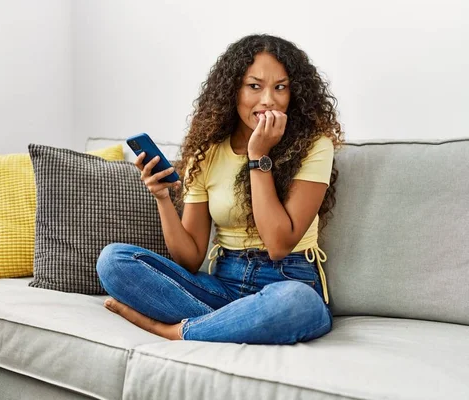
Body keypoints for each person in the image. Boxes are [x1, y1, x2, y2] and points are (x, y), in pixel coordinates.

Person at [96, 34, 344, 344]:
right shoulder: (208, 152)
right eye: (255, 86)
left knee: (298, 303)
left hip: (288, 280)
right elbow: (188, 259)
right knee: (114, 261)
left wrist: (259, 156)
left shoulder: (314, 146)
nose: (268, 99)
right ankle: (233, 323)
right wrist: (162, 198)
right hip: (222, 286)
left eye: (280, 87)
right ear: (233, 91)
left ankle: (175, 331)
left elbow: (279, 244)